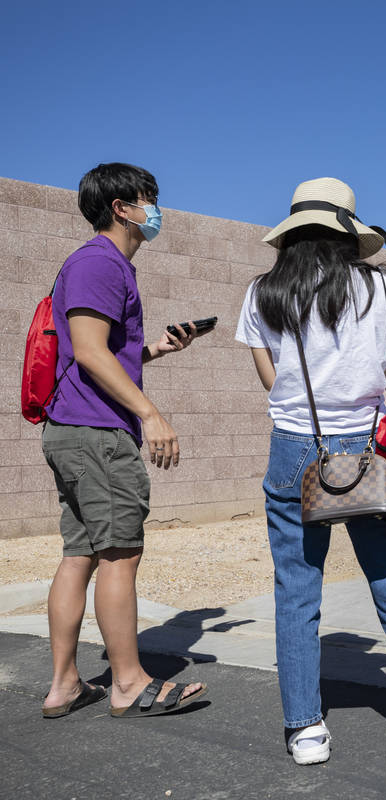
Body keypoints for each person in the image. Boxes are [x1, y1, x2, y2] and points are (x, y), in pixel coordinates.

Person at [236, 177, 386, 764]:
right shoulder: (382, 288)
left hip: (294, 446)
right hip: (366, 444)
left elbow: (271, 379)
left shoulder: (264, 291)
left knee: (296, 592)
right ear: (348, 231)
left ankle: (305, 729)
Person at [39, 163, 209, 721]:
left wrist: (156, 349)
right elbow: (88, 350)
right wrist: (151, 414)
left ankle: (65, 684)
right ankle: (129, 684)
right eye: (149, 199)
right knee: (119, 555)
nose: (156, 209)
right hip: (97, 433)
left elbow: (96, 349)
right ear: (122, 207)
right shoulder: (100, 262)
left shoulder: (99, 265)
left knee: (80, 554)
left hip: (74, 430)